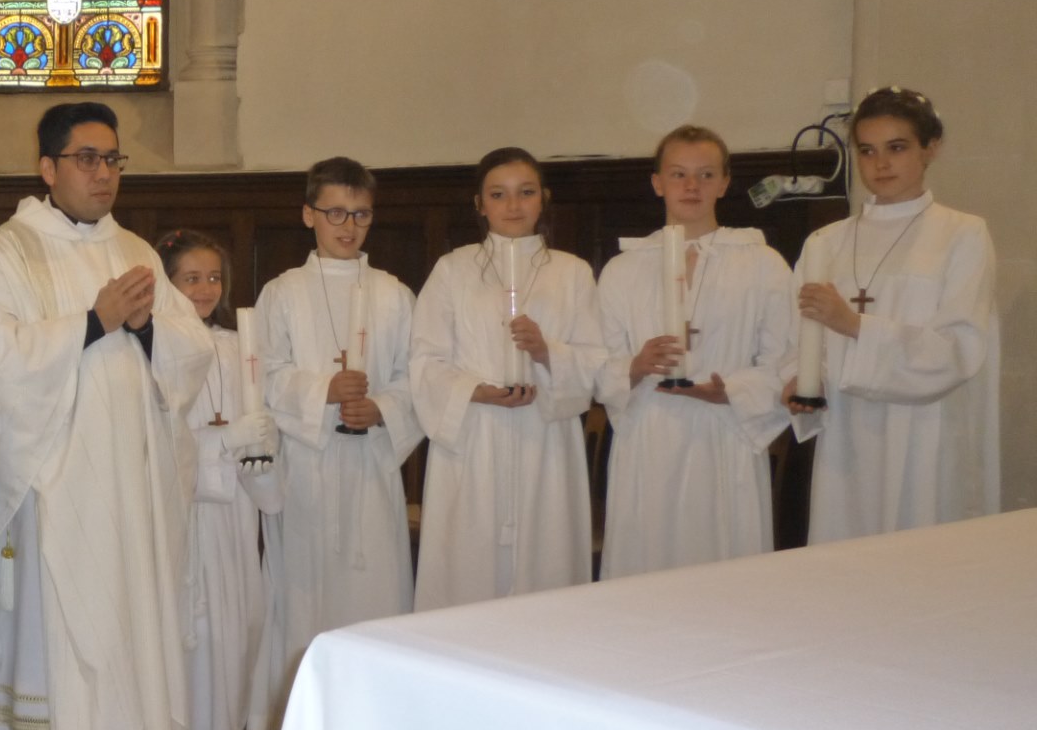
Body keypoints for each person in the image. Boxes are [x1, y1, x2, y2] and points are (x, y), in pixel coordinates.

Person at [0, 102, 212, 730]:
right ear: (48, 168)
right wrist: (95, 321)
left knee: (130, 615)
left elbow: (192, 349)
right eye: (85, 159)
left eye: (112, 159)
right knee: (62, 628)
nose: (101, 173)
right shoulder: (9, 250)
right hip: (58, 477)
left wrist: (144, 326)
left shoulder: (133, 245)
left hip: (129, 483)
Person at [249, 160, 422, 730]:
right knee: (303, 594)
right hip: (307, 466)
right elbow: (266, 375)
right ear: (309, 215)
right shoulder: (282, 293)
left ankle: (376, 720)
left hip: (371, 464)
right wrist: (323, 390)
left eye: (361, 214)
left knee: (374, 587)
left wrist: (382, 408)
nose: (348, 226)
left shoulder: (394, 295)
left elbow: (414, 379)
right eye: (335, 213)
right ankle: (304, 726)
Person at [785, 86, 1000, 539]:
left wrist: (855, 325)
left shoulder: (962, 234)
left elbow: (960, 348)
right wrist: (801, 380)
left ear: (930, 149)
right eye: (867, 150)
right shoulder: (827, 243)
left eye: (896, 148)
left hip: (924, 431)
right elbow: (801, 339)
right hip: (846, 434)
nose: (880, 164)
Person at [411, 147, 604, 609]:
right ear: (479, 204)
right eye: (498, 194)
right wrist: (474, 391)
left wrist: (546, 351)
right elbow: (424, 359)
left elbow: (594, 359)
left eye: (525, 192)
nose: (513, 205)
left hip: (546, 438)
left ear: (544, 199)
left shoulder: (572, 272)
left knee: (546, 569)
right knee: (467, 569)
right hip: (473, 437)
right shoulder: (453, 270)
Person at [596, 126, 793, 577]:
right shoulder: (623, 270)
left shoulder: (762, 264)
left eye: (705, 174)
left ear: (725, 183)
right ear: (657, 183)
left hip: (725, 435)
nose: (691, 186)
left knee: (723, 569)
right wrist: (634, 366)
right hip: (651, 435)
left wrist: (733, 390)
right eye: (679, 174)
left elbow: (787, 357)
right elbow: (598, 361)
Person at [155, 230, 280, 730]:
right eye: (190, 278)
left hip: (231, 513)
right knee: (190, 626)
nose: (205, 289)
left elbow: (262, 415)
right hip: (183, 513)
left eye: (213, 278)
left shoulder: (237, 346)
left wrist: (261, 449)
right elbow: (159, 438)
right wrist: (224, 442)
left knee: (234, 622)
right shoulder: (153, 345)